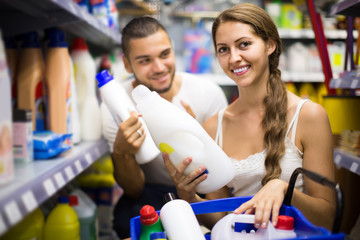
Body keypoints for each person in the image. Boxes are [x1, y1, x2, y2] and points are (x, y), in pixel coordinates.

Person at [163, 2, 336, 231]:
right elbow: (222, 217)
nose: (234, 57)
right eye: (223, 49)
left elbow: (326, 217)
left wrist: (283, 188)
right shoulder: (215, 127)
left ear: (270, 45)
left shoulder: (308, 116)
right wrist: (189, 196)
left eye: (244, 44)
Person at [100, 16, 228, 238]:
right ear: (127, 64)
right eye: (144, 60)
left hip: (203, 186)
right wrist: (123, 151)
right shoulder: (116, 104)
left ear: (173, 49)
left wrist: (197, 135)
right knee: (125, 221)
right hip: (152, 190)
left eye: (165, 54)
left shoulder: (206, 93)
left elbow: (221, 182)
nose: (159, 67)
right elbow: (133, 189)